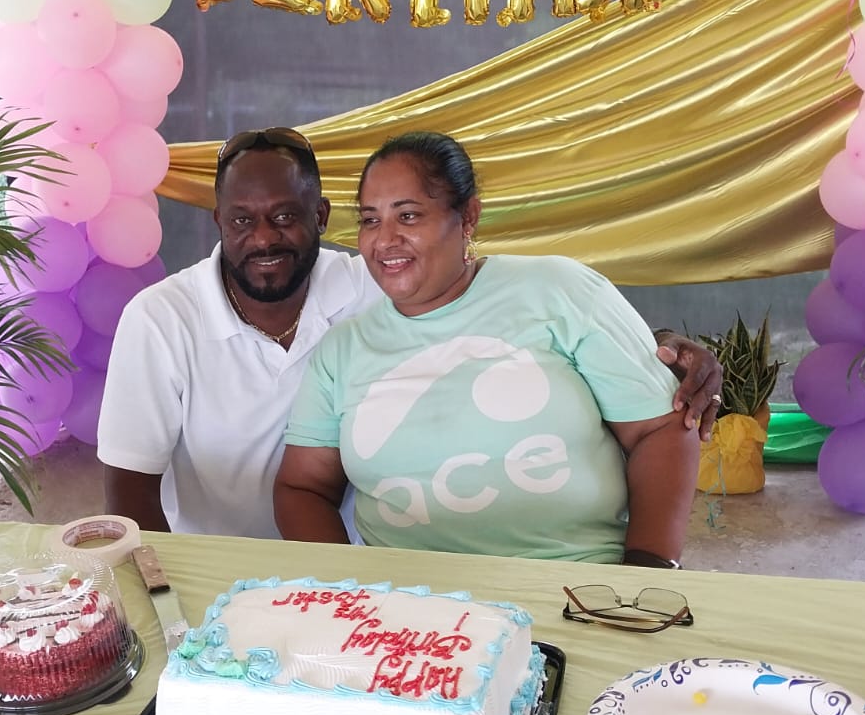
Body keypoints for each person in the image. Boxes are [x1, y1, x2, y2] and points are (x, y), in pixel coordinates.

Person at [98, 127, 720, 542]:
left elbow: (502, 306)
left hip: (380, 562)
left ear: (320, 217)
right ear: (218, 222)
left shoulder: (376, 285)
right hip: (227, 562)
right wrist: (173, 598)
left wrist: (659, 348)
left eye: (285, 217)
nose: (263, 238)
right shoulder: (161, 319)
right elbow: (130, 492)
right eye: (241, 221)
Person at [274, 131, 700, 566]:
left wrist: (647, 574)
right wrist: (348, 587)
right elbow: (302, 488)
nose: (384, 240)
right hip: (407, 600)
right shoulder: (343, 348)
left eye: (408, 216)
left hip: (575, 584)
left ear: (468, 217)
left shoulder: (558, 290)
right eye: (370, 220)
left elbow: (660, 429)